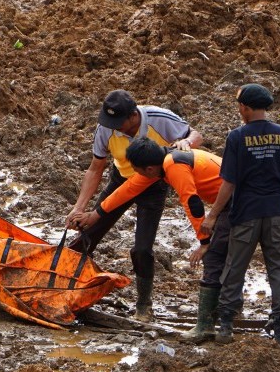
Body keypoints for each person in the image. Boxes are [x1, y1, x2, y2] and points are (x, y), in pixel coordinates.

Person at [66, 90, 203, 322]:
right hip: (122, 180)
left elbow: (195, 135)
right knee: (88, 231)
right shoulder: (106, 128)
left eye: (118, 123)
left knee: (142, 248)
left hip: (153, 184)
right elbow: (95, 167)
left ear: (132, 116)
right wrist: (79, 207)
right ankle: (64, 284)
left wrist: (186, 142)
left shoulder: (159, 119)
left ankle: (144, 305)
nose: (114, 127)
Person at [76, 137, 229, 343]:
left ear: (148, 169)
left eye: (138, 170)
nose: (138, 174)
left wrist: (204, 242)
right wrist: (94, 216)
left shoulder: (174, 166)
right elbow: (126, 190)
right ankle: (217, 320)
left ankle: (210, 325)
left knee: (214, 258)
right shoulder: (162, 162)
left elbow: (191, 202)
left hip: (236, 201)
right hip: (228, 200)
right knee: (223, 259)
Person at [201, 84, 280, 349]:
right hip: (276, 214)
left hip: (245, 214)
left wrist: (212, 216)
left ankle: (225, 326)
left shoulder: (237, 137)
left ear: (245, 108)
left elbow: (228, 183)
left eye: (239, 106)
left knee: (235, 267)